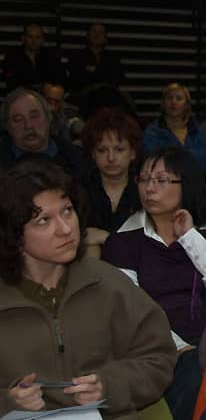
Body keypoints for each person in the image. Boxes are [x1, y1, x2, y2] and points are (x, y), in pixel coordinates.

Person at [0, 157, 176, 419]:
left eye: (67, 211)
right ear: (13, 234)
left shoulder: (107, 283)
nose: (65, 229)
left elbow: (159, 359)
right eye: (44, 220)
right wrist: (6, 402)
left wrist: (108, 387)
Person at [102, 146, 206, 420]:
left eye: (161, 180)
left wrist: (190, 236)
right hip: (151, 347)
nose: (149, 188)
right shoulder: (123, 241)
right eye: (144, 179)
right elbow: (128, 312)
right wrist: (178, 347)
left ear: (186, 184)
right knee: (199, 375)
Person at [80, 108, 142, 258]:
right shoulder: (80, 189)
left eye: (119, 150)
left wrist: (107, 237)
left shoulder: (146, 189)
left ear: (133, 153)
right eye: (102, 150)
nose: (111, 158)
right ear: (93, 154)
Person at [0, 88, 85, 177]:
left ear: (48, 118)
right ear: (7, 126)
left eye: (34, 116)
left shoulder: (78, 159)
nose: (28, 125)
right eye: (18, 119)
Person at [142, 82, 206, 172]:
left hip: (195, 177)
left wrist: (176, 156)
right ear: (163, 104)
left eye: (179, 98)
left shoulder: (198, 130)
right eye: (169, 98)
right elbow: (153, 159)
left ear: (186, 105)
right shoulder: (152, 132)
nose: (174, 102)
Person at [1, 23, 64, 93]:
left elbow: (59, 77)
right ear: (23, 38)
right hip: (20, 94)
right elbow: (11, 81)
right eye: (30, 37)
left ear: (43, 40)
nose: (34, 41)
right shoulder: (13, 56)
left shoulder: (50, 56)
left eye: (38, 37)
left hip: (46, 94)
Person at [67, 23, 123, 92]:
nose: (97, 34)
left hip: (107, 93)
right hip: (83, 94)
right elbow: (75, 78)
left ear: (106, 39)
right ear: (87, 36)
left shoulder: (113, 58)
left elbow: (117, 78)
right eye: (94, 31)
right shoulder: (76, 56)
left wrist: (93, 72)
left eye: (101, 32)